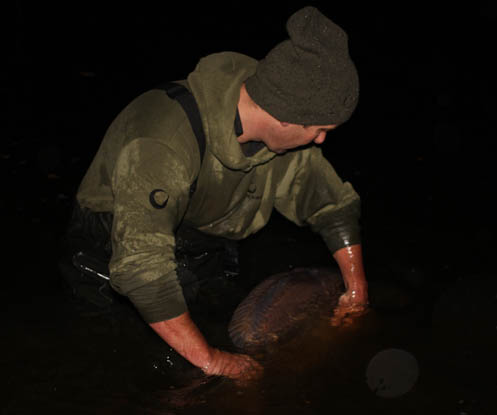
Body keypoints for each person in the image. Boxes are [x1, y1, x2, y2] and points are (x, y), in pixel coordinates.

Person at [61, 6, 368, 383]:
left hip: (200, 240)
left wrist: (356, 289)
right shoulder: (160, 142)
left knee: (232, 337)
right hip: (113, 244)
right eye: (320, 130)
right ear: (285, 117)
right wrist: (213, 361)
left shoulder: (280, 118)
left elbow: (329, 201)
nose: (320, 141)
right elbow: (141, 267)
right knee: (135, 368)